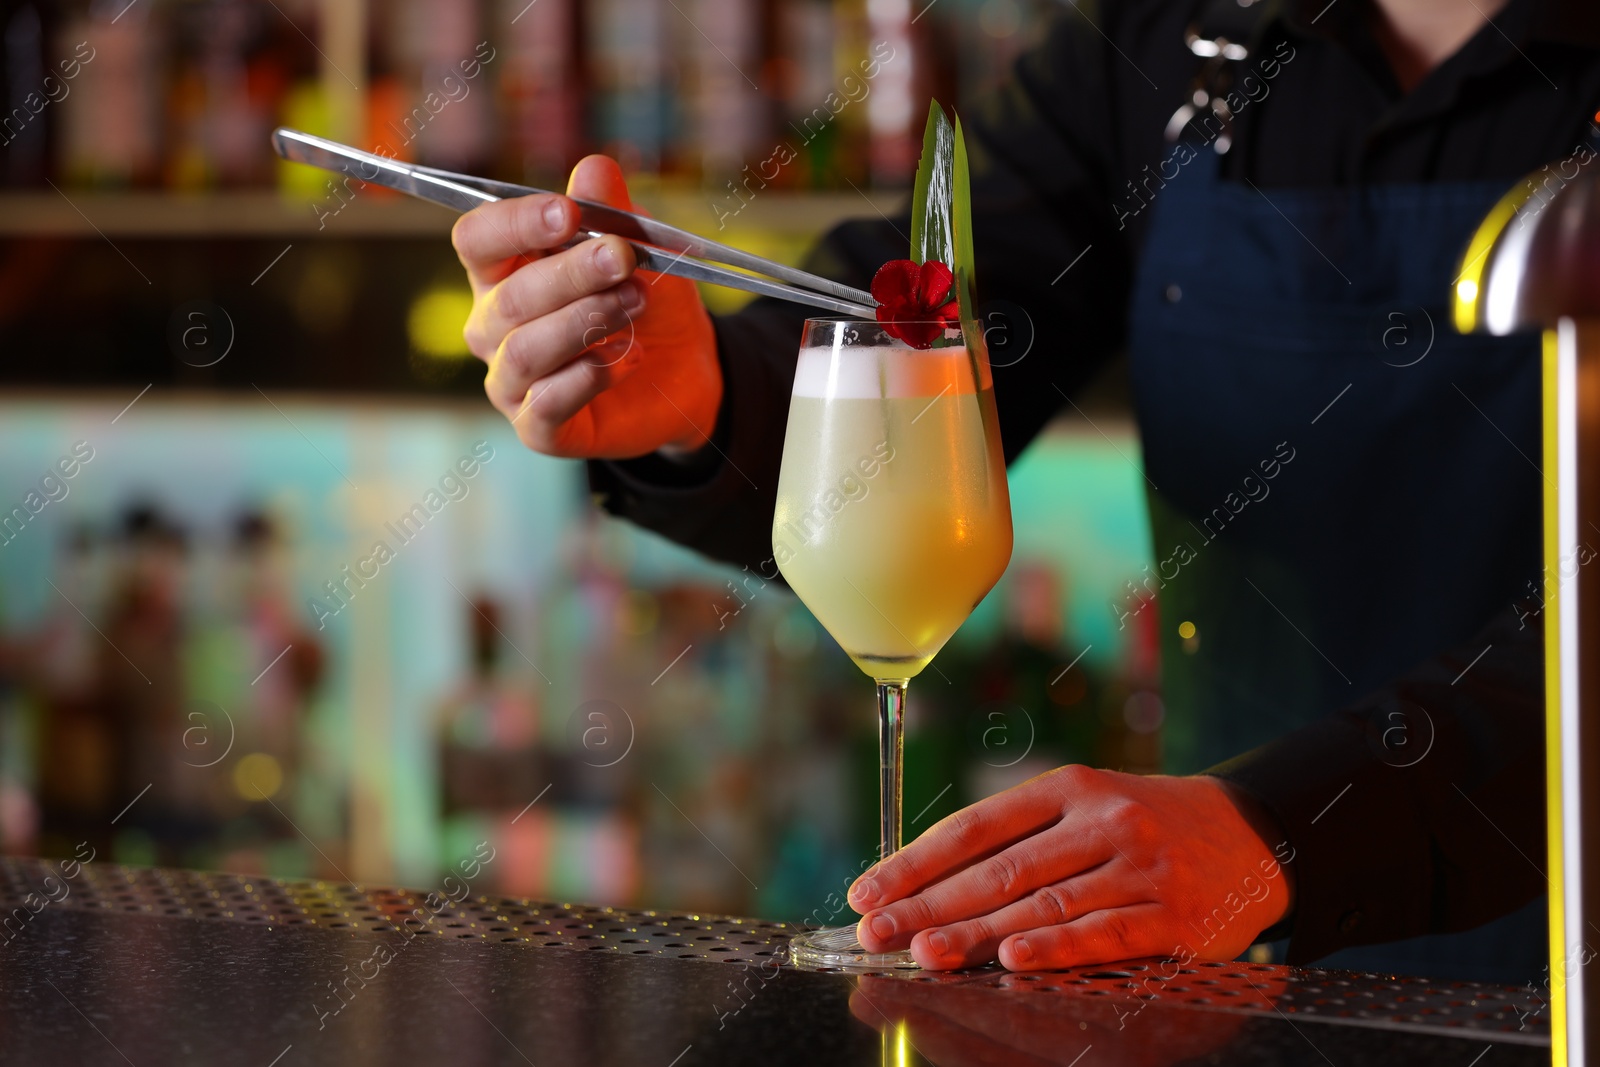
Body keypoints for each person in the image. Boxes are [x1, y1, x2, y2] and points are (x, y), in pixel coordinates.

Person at [451, 0, 1600, 979]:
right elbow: (918, 322)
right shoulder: (1162, 39)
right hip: (1230, 970)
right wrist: (705, 402)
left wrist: (1282, 827)